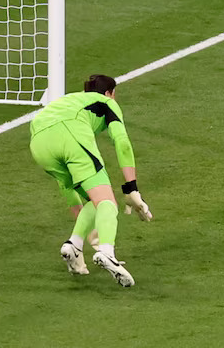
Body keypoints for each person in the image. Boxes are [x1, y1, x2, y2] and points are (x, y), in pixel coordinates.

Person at [29, 74, 152, 287]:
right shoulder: (106, 103)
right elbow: (122, 143)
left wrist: (83, 229)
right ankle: (107, 252)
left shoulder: (68, 101)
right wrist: (131, 187)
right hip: (69, 134)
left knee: (95, 201)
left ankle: (73, 246)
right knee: (107, 203)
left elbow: (67, 187)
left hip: (38, 143)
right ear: (109, 93)